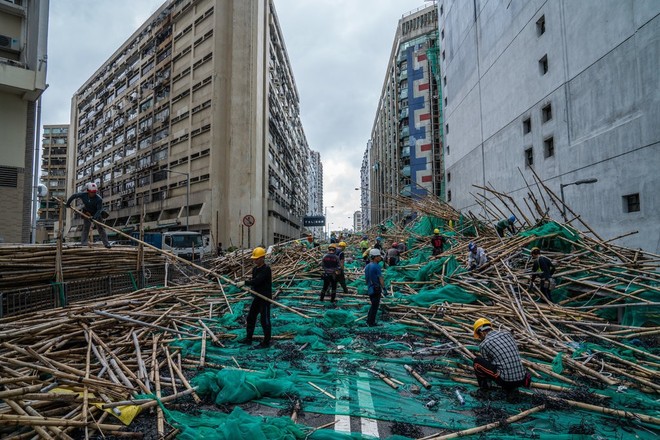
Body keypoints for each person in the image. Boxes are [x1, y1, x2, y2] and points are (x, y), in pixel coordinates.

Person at [472, 318, 531, 397]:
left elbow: (488, 365)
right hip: (522, 379)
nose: (480, 338)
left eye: (479, 336)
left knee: (477, 362)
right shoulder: (507, 334)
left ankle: (484, 390)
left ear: (481, 333)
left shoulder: (484, 344)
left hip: (506, 381)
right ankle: (515, 384)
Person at [237, 247, 272, 349]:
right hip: (257, 297)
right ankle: (248, 339)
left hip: (265, 298)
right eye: (254, 259)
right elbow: (254, 282)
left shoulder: (266, 269)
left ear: (262, 258)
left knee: (264, 320)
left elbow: (257, 281)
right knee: (251, 317)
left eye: (256, 259)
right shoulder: (255, 269)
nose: (254, 260)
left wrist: (245, 282)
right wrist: (247, 286)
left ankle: (266, 342)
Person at [65, 182, 112, 248]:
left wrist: (94, 218)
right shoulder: (83, 195)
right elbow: (74, 196)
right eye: (91, 192)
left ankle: (106, 244)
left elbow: (99, 210)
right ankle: (84, 243)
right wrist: (68, 204)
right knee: (86, 227)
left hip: (97, 213)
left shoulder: (99, 199)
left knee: (100, 228)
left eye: (94, 192)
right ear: (88, 191)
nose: (93, 193)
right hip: (87, 212)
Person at [364, 248, 385, 327]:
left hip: (370, 288)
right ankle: (371, 323)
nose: (380, 258)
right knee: (375, 307)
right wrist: (384, 288)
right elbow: (380, 278)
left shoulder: (367, 266)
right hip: (376, 288)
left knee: (373, 305)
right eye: (379, 256)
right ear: (375, 257)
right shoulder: (377, 266)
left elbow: (366, 279)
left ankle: (369, 321)